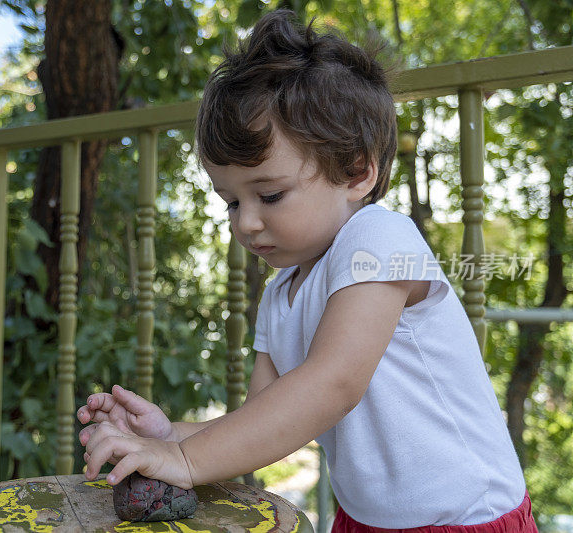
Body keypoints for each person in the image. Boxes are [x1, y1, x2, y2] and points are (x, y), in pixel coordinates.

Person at [77, 9, 538, 531]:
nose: (246, 223)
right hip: (364, 519)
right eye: (230, 202)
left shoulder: (379, 239)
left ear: (357, 171)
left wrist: (186, 463)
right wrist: (170, 438)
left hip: (466, 518)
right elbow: (265, 417)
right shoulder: (279, 295)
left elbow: (332, 384)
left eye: (269, 194)